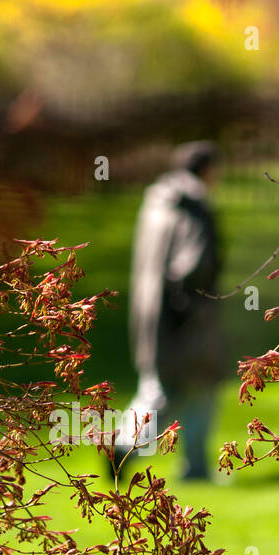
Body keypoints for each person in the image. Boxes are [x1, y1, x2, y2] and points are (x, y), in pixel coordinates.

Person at [110, 141, 226, 481]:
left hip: (151, 309)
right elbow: (195, 263)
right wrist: (196, 297)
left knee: (160, 385)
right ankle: (132, 448)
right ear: (208, 169)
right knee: (190, 388)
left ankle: (136, 447)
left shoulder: (157, 201)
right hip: (186, 312)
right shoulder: (195, 206)